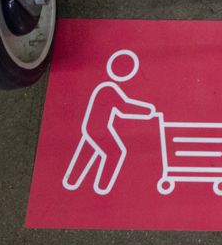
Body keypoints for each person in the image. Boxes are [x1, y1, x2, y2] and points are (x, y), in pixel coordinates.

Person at [63, 50, 157, 195]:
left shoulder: (106, 88)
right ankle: (102, 188)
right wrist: (148, 111)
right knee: (115, 152)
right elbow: (124, 107)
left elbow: (122, 106)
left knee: (88, 150)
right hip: (98, 129)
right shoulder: (109, 90)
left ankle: (72, 181)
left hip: (91, 128)